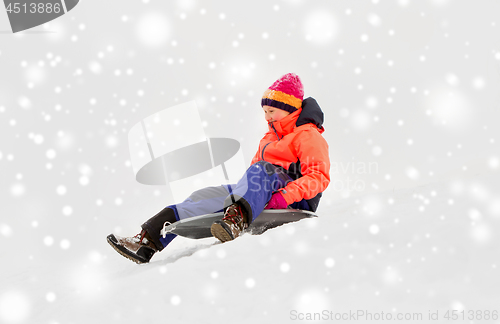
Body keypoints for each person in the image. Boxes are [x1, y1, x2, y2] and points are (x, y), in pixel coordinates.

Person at [107, 73, 330, 264]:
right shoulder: (269, 138)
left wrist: (283, 197)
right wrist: (244, 193)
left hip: (293, 198)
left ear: (290, 108)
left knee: (262, 170)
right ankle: (148, 241)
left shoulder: (307, 135)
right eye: (264, 112)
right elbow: (253, 174)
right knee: (203, 195)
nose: (267, 117)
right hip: (262, 190)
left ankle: (236, 220)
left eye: (271, 111)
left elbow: (318, 177)